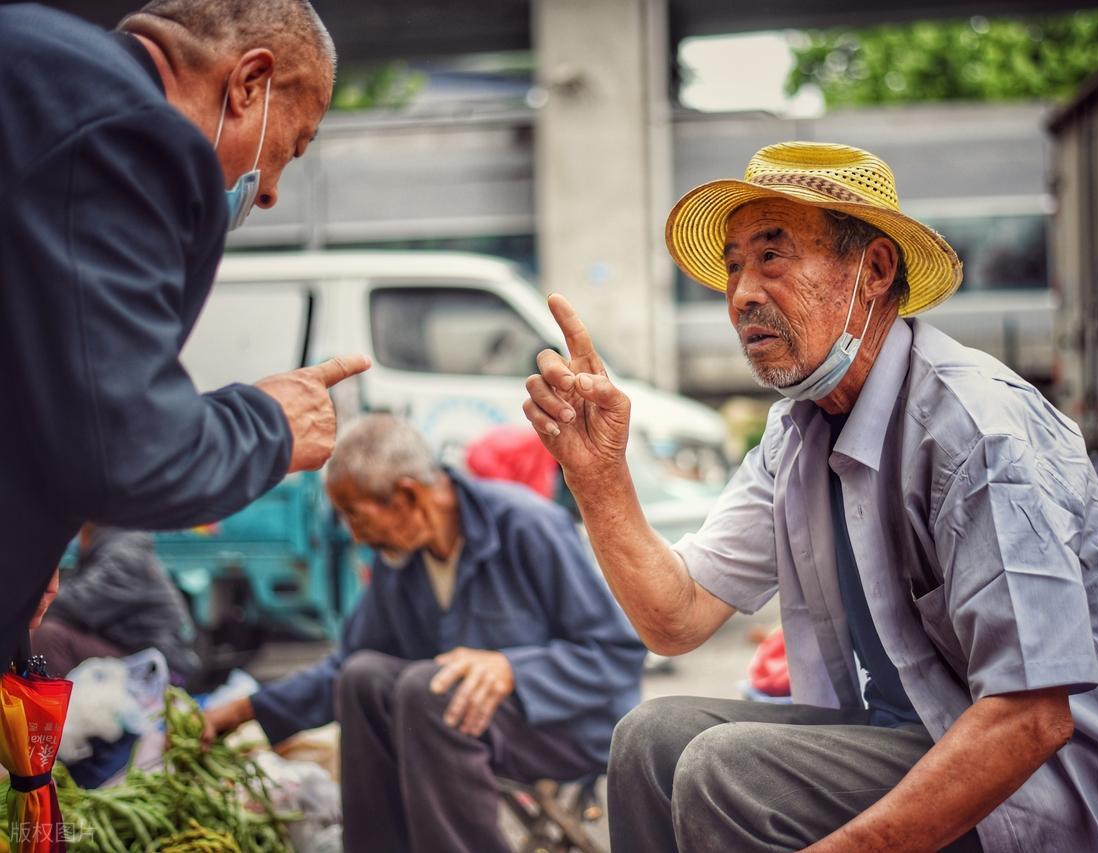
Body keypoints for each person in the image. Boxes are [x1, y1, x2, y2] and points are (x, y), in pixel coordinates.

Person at [522, 142, 1098, 852]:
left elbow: (1032, 717)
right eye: (733, 267)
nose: (742, 295)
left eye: (773, 256)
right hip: (920, 742)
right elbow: (675, 618)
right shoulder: (798, 433)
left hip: (1065, 797)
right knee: (651, 737)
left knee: (722, 771)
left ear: (874, 270)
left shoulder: (976, 432)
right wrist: (597, 475)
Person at [0, 0, 370, 667]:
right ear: (250, 82)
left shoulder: (34, 64)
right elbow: (127, 454)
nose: (271, 193)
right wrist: (272, 424)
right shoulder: (134, 135)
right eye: (293, 145)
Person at [203, 415, 647, 853]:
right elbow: (345, 667)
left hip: (567, 726)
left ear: (407, 497)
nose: (357, 536)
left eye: (357, 516)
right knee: (363, 678)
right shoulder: (401, 557)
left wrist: (513, 669)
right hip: (470, 725)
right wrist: (240, 711)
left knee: (427, 689)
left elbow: (615, 652)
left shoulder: (526, 525)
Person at [32, 524, 201, 682]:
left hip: (159, 666)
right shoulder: (113, 547)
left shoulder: (124, 553)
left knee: (50, 635)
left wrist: (25, 604)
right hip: (134, 650)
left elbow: (77, 603)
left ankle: (52, 709)